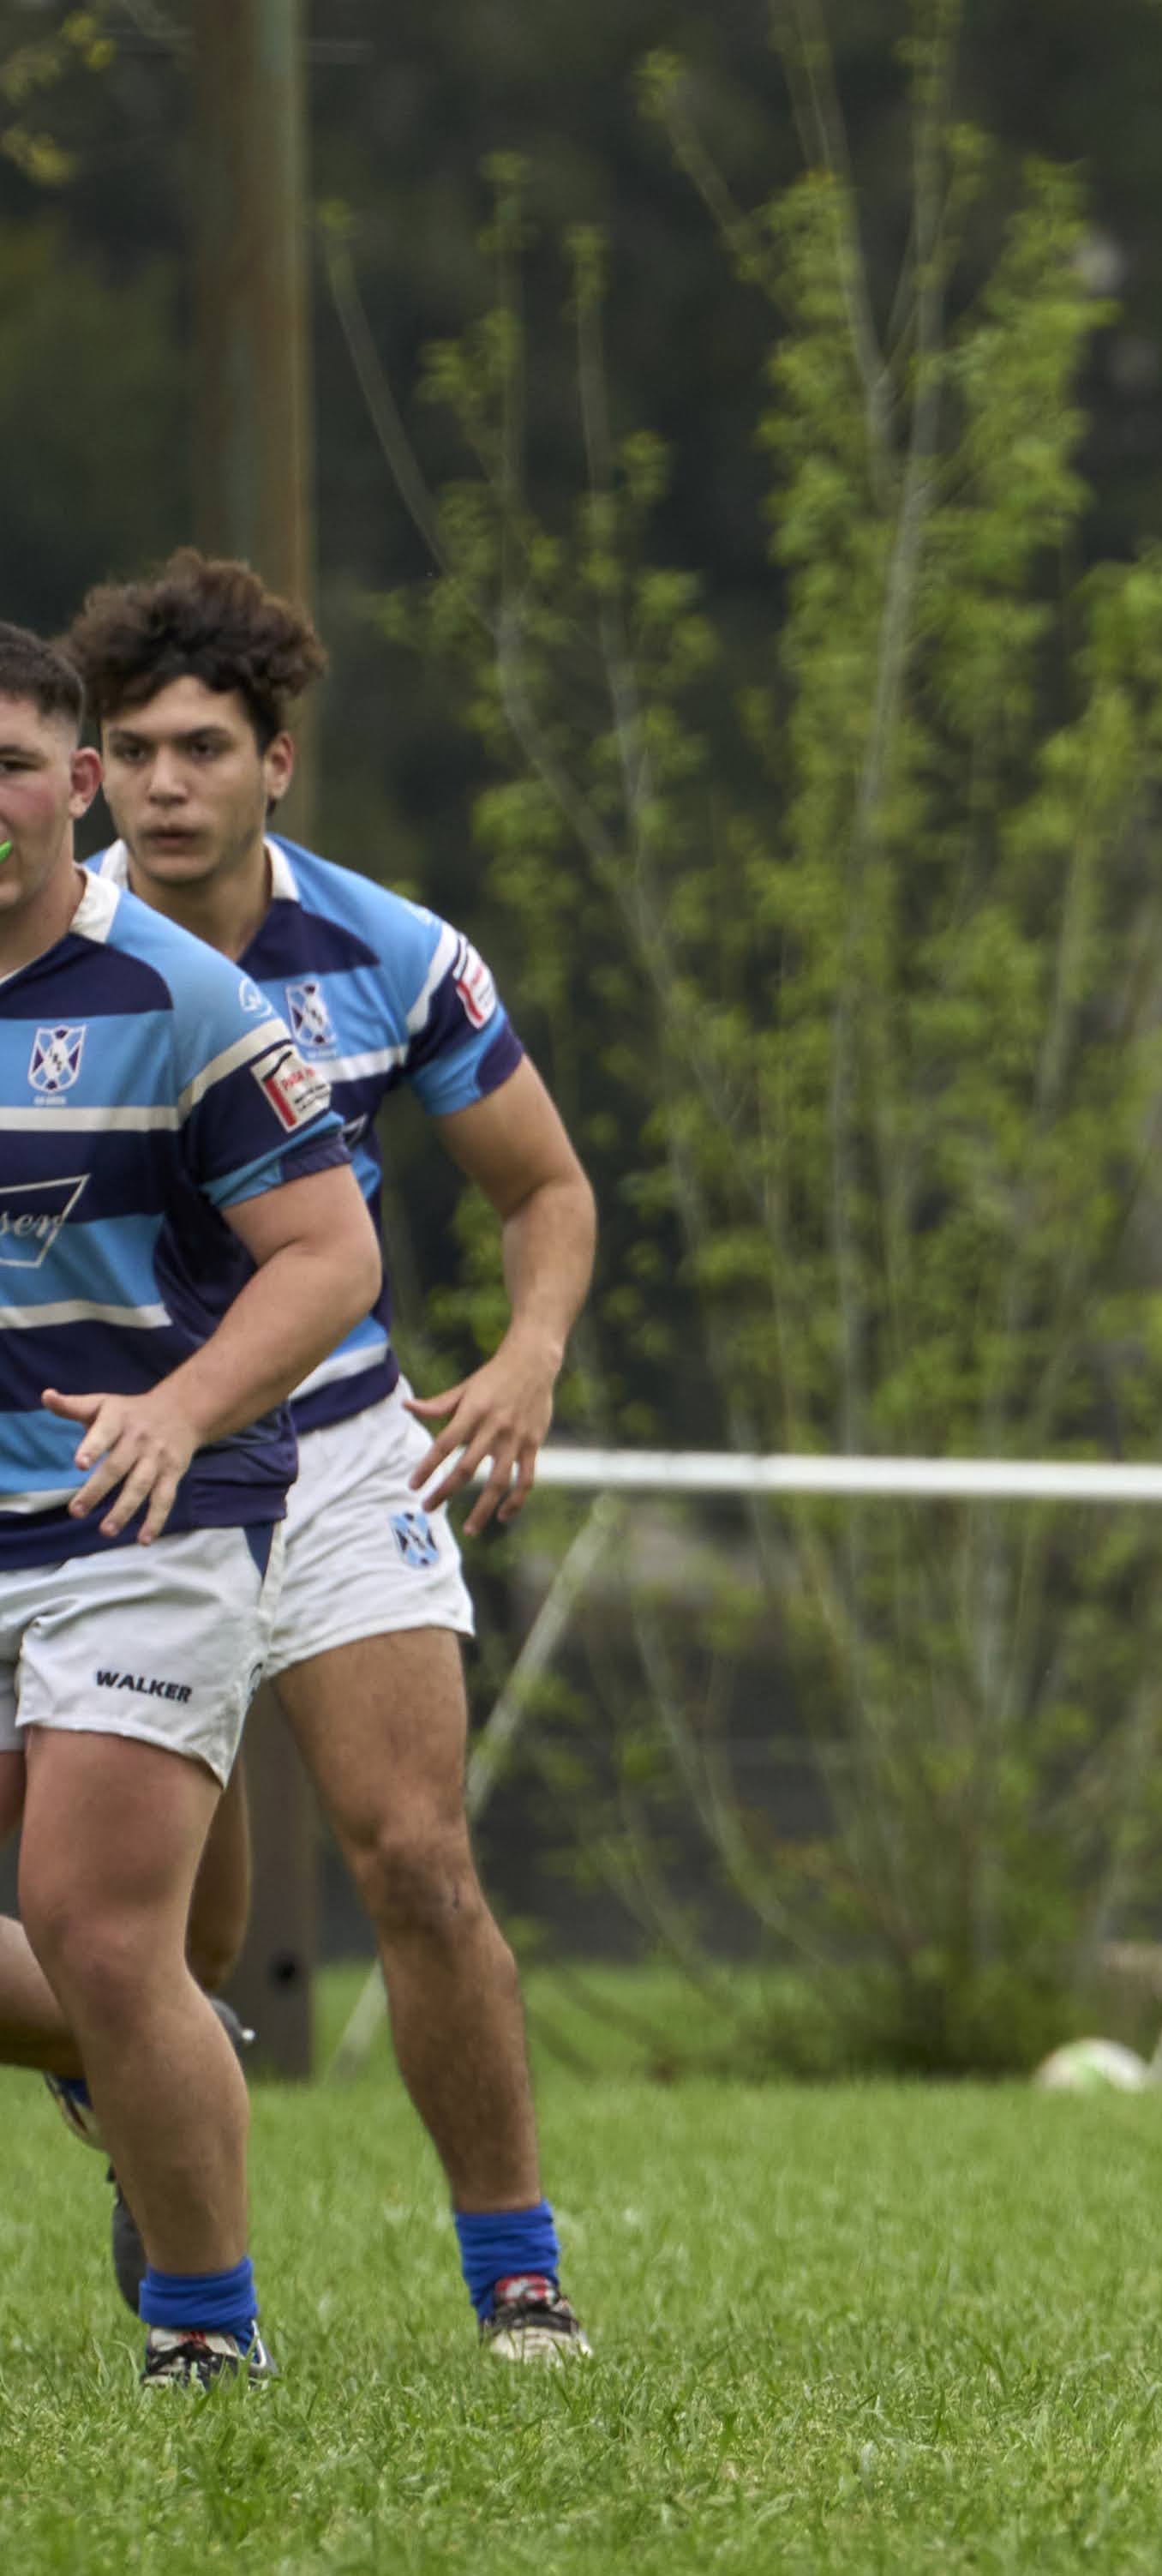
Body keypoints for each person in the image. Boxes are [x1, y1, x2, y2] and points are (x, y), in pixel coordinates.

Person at [11, 555, 599, 2360]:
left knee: (414, 1849)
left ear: (279, 761)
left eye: (207, 747)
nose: (170, 783)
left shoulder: (394, 952)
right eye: (138, 749)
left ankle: (515, 2271)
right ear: (93, 773)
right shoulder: (47, 927)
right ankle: (166, 2063)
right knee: (134, 1944)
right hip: (100, 1474)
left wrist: (524, 1356)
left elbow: (542, 1186)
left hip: (334, 1447)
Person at [0, 621, 375, 2387]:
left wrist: (176, 1402)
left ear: (75, 787)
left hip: (147, 1509)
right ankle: (161, 2043)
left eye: (13, 766)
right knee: (115, 1963)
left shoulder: (180, 996)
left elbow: (332, 1251)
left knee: (93, 1913)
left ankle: (207, 2332)